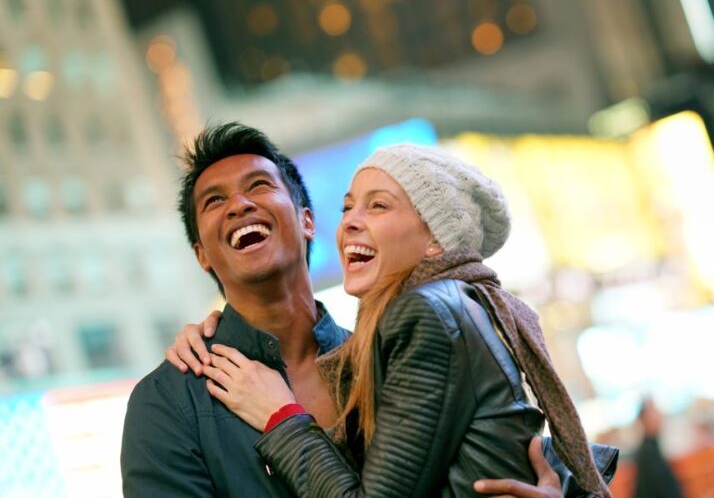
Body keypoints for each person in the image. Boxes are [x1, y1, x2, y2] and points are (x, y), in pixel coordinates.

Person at [122, 123, 564, 497]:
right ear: (202, 254)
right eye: (214, 201)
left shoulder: (386, 354)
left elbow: (505, 450)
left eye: (259, 185)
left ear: (308, 220)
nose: (239, 205)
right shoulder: (168, 404)